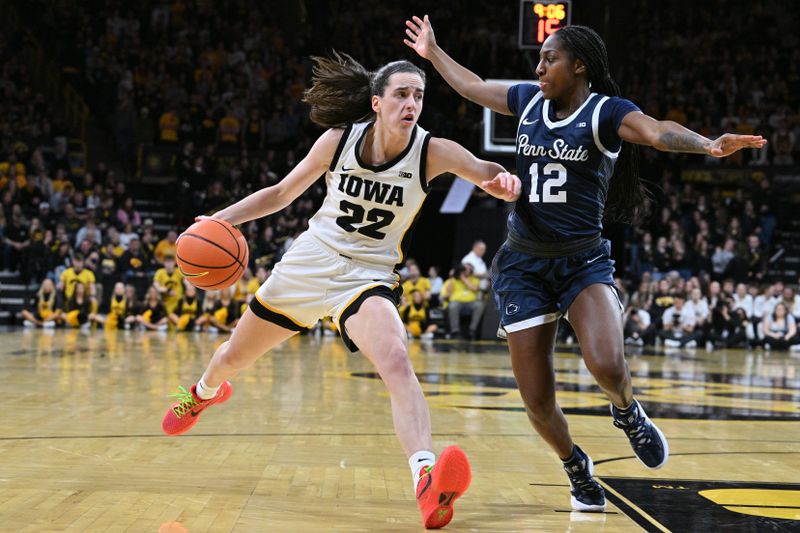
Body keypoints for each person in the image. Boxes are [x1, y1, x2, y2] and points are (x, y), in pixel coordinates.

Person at [405, 16, 767, 511]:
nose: (539, 67)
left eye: (549, 58)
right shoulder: (528, 99)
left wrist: (706, 143)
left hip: (582, 262)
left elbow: (657, 133)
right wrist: (433, 51)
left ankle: (628, 412)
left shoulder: (605, 113)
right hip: (523, 265)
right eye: (539, 59)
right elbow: (470, 86)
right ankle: (577, 467)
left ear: (579, 66)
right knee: (536, 401)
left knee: (607, 364)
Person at [160, 52, 521, 529]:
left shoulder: (432, 151)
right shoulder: (338, 140)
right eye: (401, 94)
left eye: (418, 95)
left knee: (395, 359)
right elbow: (281, 194)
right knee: (232, 358)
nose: (411, 102)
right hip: (309, 264)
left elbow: (483, 170)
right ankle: (203, 392)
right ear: (376, 102)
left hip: (367, 276)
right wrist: (219, 219)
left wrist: (502, 183)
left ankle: (426, 478)